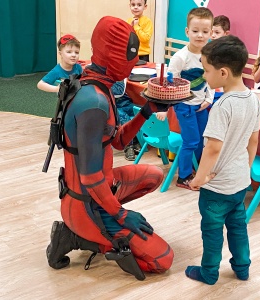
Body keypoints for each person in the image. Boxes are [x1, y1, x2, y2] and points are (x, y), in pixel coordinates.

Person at [45, 16, 173, 278]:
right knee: (162, 260)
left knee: (154, 176)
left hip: (101, 188)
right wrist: (122, 215)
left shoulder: (97, 84)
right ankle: (76, 237)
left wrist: (146, 112)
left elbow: (117, 141)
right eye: (129, 58)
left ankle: (100, 227)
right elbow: (90, 177)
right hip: (85, 204)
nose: (132, 65)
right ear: (115, 56)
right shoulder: (94, 102)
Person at [185, 35, 260, 285]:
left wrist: (199, 178)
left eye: (207, 71)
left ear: (224, 72)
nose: (205, 76)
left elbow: (213, 149)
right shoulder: (253, 98)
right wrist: (246, 169)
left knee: (212, 231)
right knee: (238, 227)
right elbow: (253, 140)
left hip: (216, 187)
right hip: (239, 182)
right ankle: (242, 267)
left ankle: (208, 273)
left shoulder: (222, 106)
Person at [157, 7, 215, 190]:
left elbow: (213, 77)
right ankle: (183, 176)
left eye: (205, 32)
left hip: (201, 105)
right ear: (187, 31)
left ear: (211, 33)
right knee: (190, 141)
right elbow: (168, 84)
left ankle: (197, 169)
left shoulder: (211, 55)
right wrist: (164, 108)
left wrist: (210, 98)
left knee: (202, 139)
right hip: (185, 105)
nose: (200, 35)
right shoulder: (180, 58)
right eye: (195, 31)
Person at [111, 80, 141, 161]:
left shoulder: (119, 70)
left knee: (139, 110)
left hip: (125, 102)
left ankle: (136, 139)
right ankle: (129, 145)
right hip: (111, 104)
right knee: (122, 116)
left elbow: (119, 91)